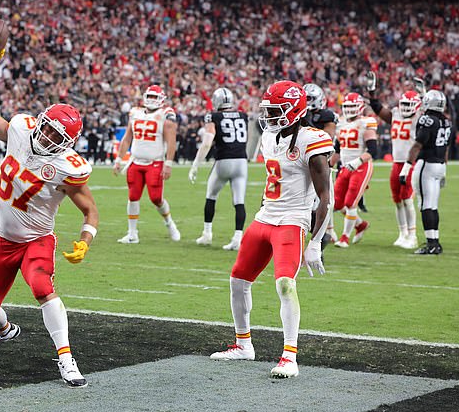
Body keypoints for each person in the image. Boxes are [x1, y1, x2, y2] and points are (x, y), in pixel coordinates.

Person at [0, 49, 99, 388]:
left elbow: (90, 210)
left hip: (37, 239)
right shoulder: (20, 130)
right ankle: (6, 330)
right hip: (1, 237)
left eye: (58, 137)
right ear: (39, 122)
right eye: (48, 130)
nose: (49, 138)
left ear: (68, 143)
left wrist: (85, 242)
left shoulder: (68, 167)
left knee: (42, 286)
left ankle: (67, 359)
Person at [210, 81, 333, 379]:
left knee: (284, 284)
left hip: (292, 221)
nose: (271, 116)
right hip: (266, 216)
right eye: (269, 110)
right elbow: (272, 183)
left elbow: (326, 198)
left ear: (294, 110)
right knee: (238, 280)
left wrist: (316, 242)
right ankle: (243, 346)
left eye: (277, 110)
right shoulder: (269, 135)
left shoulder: (311, 140)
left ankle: (289, 356)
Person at [113, 85, 180, 244]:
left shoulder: (165, 114)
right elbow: (127, 138)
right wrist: (118, 160)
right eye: (149, 96)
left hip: (155, 162)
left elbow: (171, 140)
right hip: (135, 162)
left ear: (161, 99)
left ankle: (169, 223)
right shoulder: (135, 113)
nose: (151, 100)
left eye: (154, 97)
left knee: (156, 198)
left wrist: (168, 163)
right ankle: (132, 234)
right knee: (133, 196)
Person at [189, 87, 248, 250]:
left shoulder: (213, 116)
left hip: (224, 160)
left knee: (211, 195)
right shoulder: (243, 115)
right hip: (242, 161)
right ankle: (238, 237)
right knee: (239, 201)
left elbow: (207, 142)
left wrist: (195, 164)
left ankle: (207, 234)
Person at [366, 71, 421, 249]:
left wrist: (424, 93)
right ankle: (402, 233)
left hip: (410, 163)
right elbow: (377, 108)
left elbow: (430, 111)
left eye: (409, 105)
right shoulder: (395, 114)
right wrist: (372, 91)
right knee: (397, 200)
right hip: (396, 163)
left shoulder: (420, 118)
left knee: (407, 199)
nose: (405, 107)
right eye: (403, 104)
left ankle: (412, 235)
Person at [400, 90, 451, 254]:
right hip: (440, 164)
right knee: (433, 205)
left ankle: (431, 244)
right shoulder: (446, 121)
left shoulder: (427, 120)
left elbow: (417, 145)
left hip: (427, 165)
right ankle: (435, 241)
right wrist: (445, 169)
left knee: (425, 205)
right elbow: (446, 148)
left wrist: (406, 167)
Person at [331, 92, 378, 248]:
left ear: (360, 107)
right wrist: (328, 165)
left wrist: (358, 161)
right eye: (347, 106)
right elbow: (337, 150)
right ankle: (360, 224)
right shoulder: (341, 123)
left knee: (351, 203)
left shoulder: (366, 123)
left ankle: (344, 237)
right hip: (345, 166)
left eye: (353, 106)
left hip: (361, 166)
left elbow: (373, 150)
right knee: (337, 204)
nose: (350, 109)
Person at [302, 83, 339, 248]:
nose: (306, 102)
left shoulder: (326, 116)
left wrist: (307, 122)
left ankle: (319, 243)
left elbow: (328, 138)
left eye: (309, 98)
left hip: (320, 166)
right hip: (301, 165)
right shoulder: (298, 115)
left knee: (320, 204)